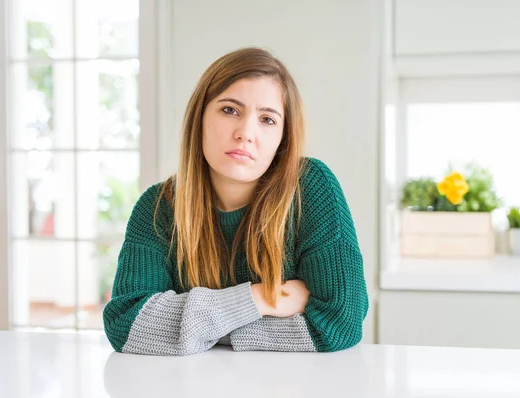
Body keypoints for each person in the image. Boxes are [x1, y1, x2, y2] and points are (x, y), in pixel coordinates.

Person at [103, 47, 369, 356]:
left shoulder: (310, 188)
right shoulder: (158, 206)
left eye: (267, 119)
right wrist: (263, 298)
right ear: (200, 117)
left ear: (283, 138)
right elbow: (126, 325)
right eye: (230, 110)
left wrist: (194, 331)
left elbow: (341, 323)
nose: (246, 133)